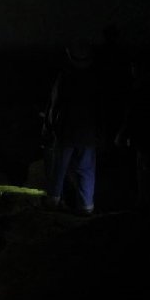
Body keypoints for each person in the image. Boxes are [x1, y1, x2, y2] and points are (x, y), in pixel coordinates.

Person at [43, 37, 100, 216]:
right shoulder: (94, 79)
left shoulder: (65, 77)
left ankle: (53, 200)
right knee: (86, 169)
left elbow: (55, 104)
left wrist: (50, 126)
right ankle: (86, 206)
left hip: (66, 131)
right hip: (88, 133)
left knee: (59, 166)